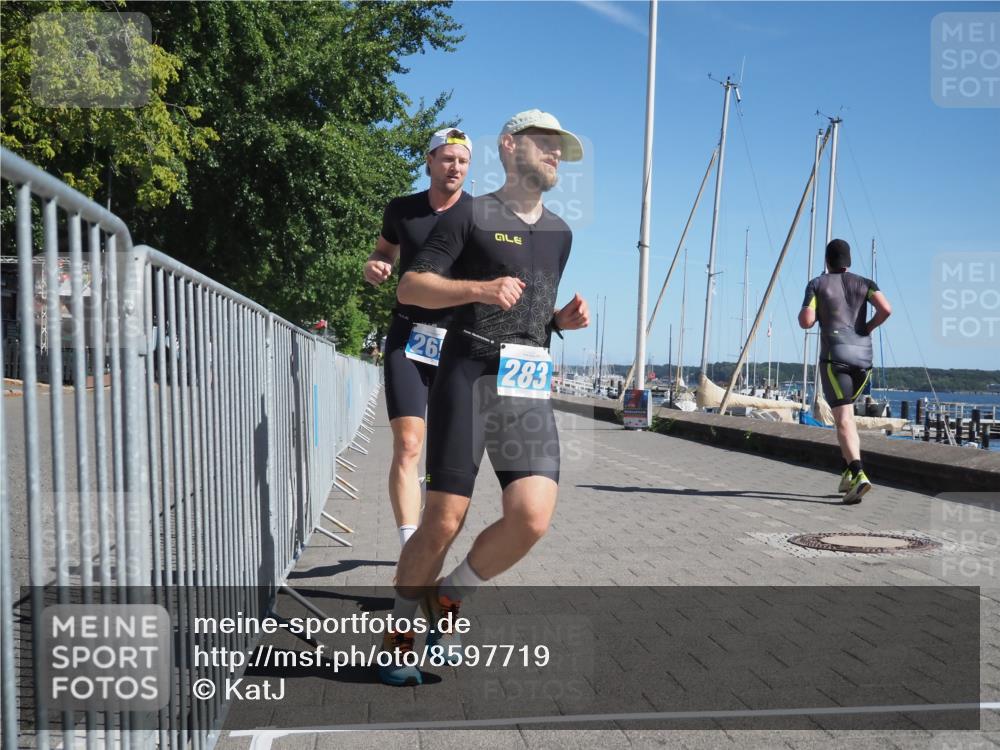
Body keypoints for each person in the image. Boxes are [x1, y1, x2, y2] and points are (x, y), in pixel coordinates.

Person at [378, 109, 589, 686]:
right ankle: (399, 635)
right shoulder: (471, 214)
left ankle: (445, 603)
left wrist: (559, 321)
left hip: (526, 381)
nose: (554, 156)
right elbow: (411, 285)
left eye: (560, 150)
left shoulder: (560, 233)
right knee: (444, 521)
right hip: (467, 376)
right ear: (509, 146)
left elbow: (527, 314)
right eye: (544, 144)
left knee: (532, 518)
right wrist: (478, 287)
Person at [364, 128, 473, 552]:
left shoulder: (479, 215)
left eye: (463, 162)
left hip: (459, 341)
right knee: (409, 443)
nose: (455, 168)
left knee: (444, 457)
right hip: (409, 335)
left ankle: (433, 533)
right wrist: (374, 267)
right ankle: (411, 543)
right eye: (447, 159)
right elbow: (381, 253)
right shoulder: (402, 210)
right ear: (429, 161)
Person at [799, 238, 892, 504]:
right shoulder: (866, 283)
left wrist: (813, 313)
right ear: (848, 261)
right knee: (847, 417)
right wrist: (868, 327)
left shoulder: (817, 284)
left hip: (835, 359)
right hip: (864, 360)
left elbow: (806, 321)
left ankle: (859, 474)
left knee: (843, 420)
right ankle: (846, 474)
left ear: (827, 261)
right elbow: (886, 309)